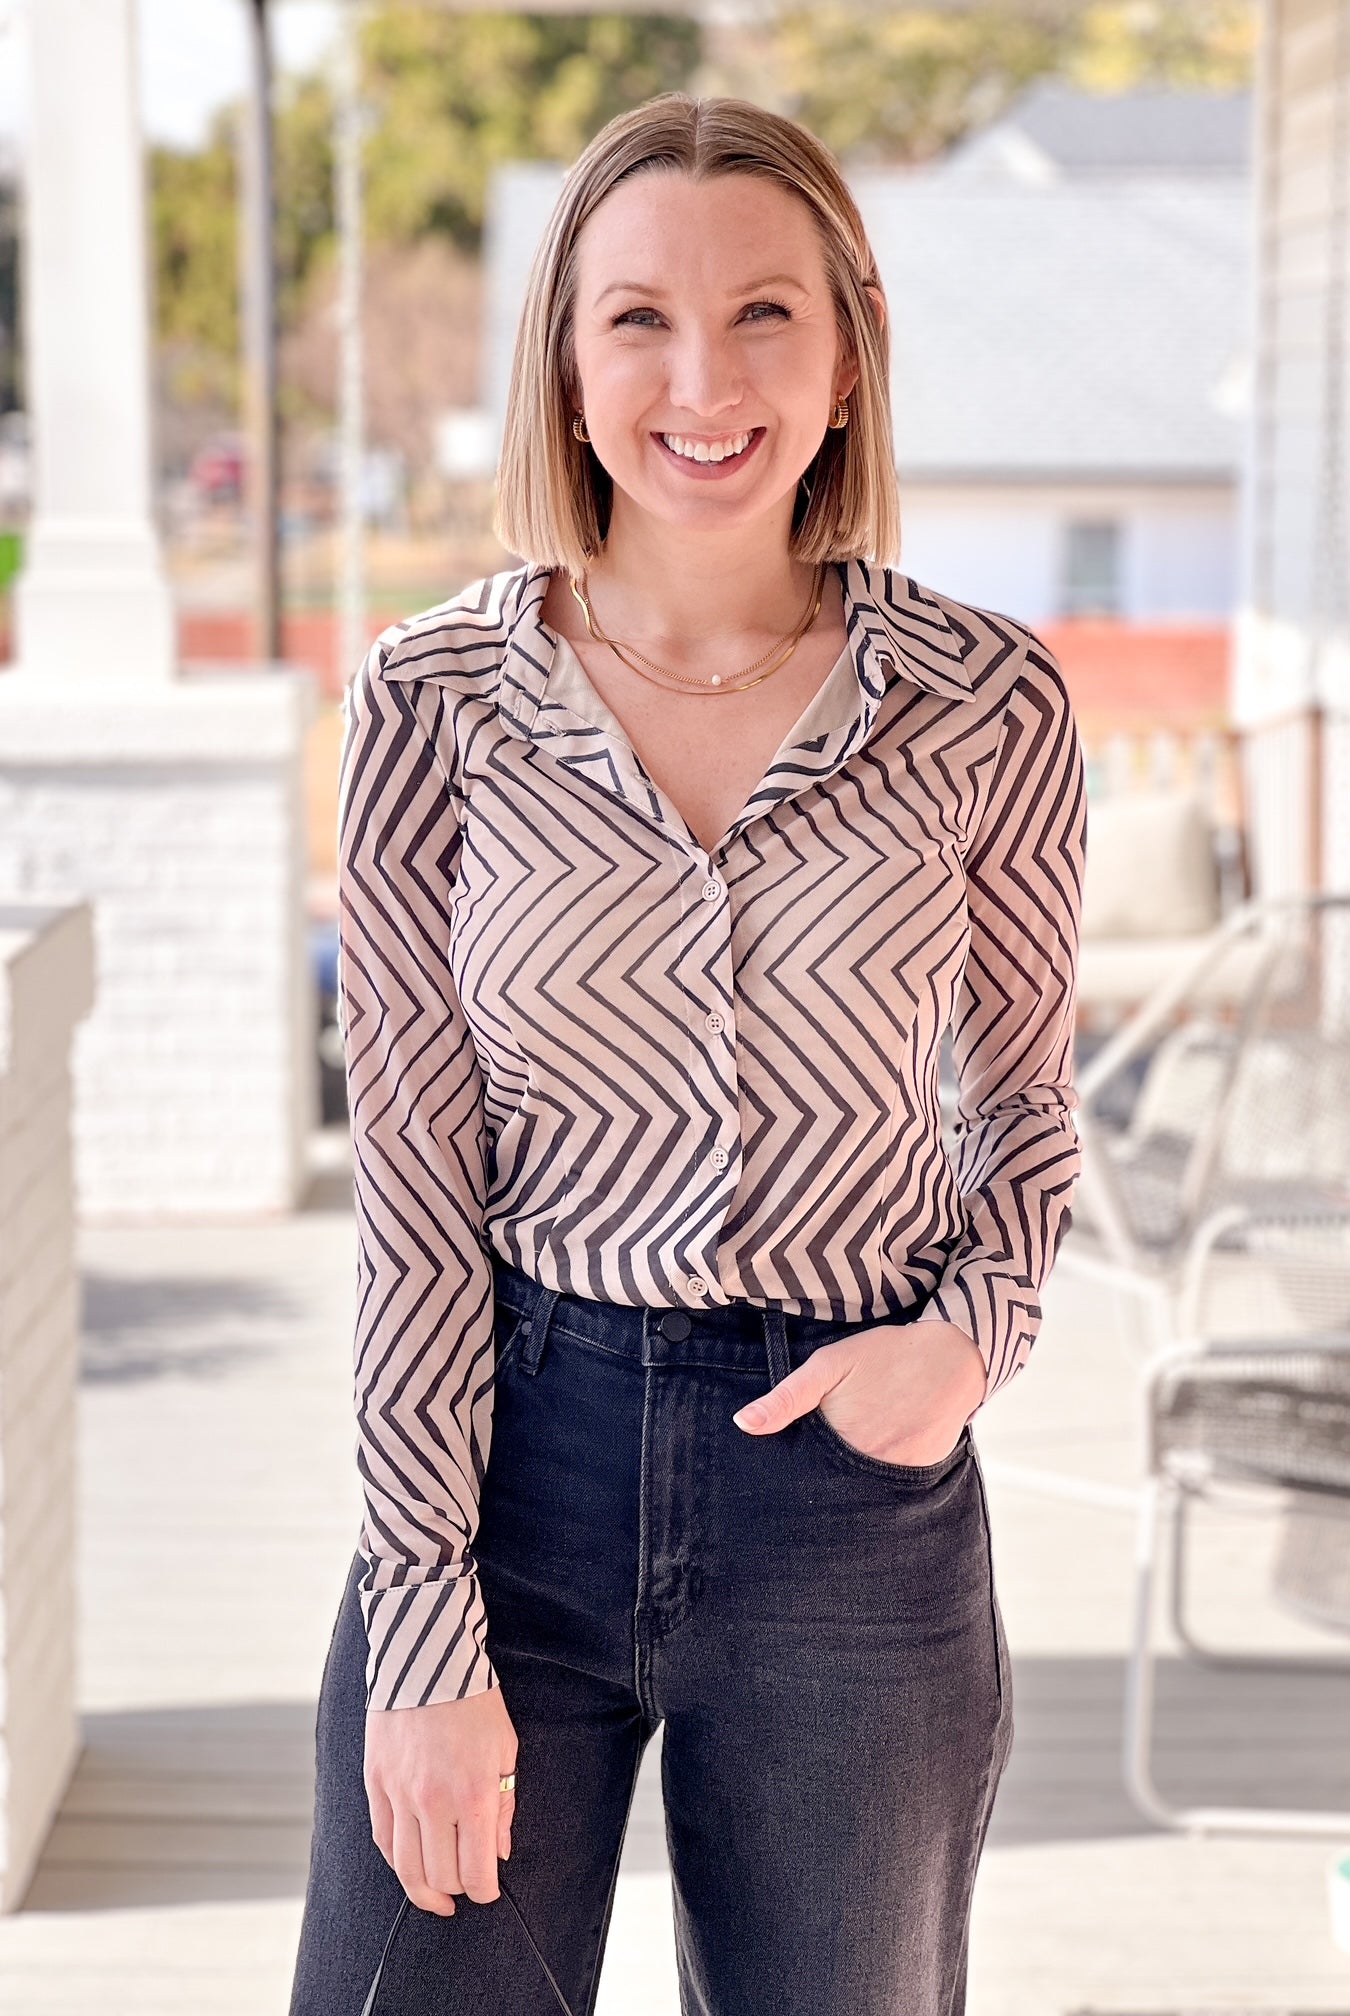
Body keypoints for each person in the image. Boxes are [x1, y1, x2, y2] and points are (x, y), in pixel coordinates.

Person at [289, 90, 1086, 2016]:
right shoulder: (434, 702)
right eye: (637, 315)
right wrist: (420, 1618)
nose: (699, 377)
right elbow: (414, 1199)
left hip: (845, 1502)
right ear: (565, 363)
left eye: (763, 316)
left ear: (845, 352)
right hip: (514, 1461)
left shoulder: (986, 702)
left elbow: (1032, 1118)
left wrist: (966, 1344)